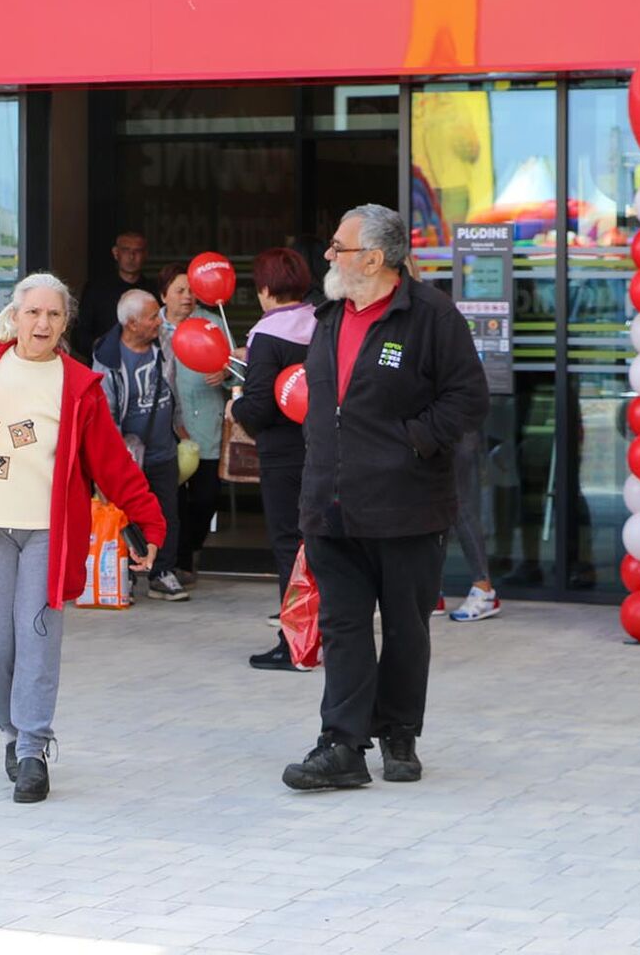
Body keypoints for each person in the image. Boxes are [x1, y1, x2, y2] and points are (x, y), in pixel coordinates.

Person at [0, 273, 167, 803]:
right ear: (15, 316)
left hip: (47, 534)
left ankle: (34, 749)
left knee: (37, 638)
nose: (42, 323)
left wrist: (149, 523)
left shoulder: (79, 385)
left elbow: (112, 465)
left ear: (65, 323)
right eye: (33, 312)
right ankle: (12, 734)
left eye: (54, 315)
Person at [281, 204, 487, 792]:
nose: (329, 255)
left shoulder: (431, 316)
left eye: (339, 247)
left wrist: (409, 443)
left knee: (404, 627)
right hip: (331, 505)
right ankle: (342, 745)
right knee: (344, 626)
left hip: (407, 506)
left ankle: (400, 734)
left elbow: (467, 399)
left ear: (374, 258)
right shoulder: (326, 316)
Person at [228, 246, 316, 671]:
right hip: (323, 449)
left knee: (289, 546)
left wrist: (236, 407)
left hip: (283, 454)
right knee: (322, 544)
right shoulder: (322, 323)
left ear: (264, 288)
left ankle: (295, 644)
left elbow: (261, 405)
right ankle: (327, 635)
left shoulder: (267, 334)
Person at [91, 288, 188, 601]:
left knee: (167, 513)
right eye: (151, 317)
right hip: (127, 454)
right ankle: (126, 575)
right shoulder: (107, 360)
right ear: (132, 324)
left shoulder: (165, 345)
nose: (158, 321)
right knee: (125, 515)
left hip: (163, 447)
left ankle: (162, 572)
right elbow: (105, 414)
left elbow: (175, 388)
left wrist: (181, 428)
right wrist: (113, 457)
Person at [159, 264, 229, 587]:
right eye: (179, 290)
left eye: (191, 290)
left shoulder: (212, 323)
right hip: (162, 427)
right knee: (171, 499)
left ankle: (192, 549)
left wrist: (226, 375)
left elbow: (237, 370)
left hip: (205, 423)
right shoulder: (151, 325)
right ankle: (174, 562)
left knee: (205, 497)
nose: (187, 297)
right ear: (164, 296)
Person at [447, 431, 501, 621]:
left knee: (459, 504)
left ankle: (483, 588)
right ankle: (429, 593)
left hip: (452, 426)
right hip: (430, 427)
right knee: (430, 506)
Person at [76, 230, 155, 353]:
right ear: (115, 253)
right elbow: (79, 335)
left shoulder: (153, 290)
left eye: (137, 251)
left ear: (146, 254)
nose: (131, 256)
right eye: (125, 250)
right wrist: (100, 346)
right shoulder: (96, 289)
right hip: (103, 362)